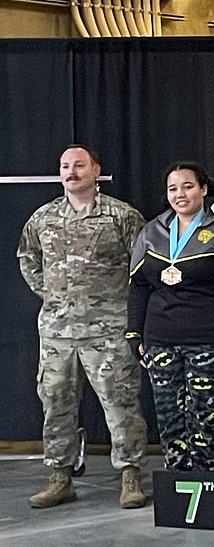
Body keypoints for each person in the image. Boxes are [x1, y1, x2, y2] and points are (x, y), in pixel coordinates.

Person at [17, 145, 148, 509]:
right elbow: (27, 259)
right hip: (57, 331)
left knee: (120, 402)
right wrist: (52, 295)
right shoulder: (42, 218)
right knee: (55, 401)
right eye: (65, 166)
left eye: (78, 165)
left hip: (109, 330)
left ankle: (130, 475)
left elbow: (142, 265)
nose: (71, 172)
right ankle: (60, 476)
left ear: (95, 170)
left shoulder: (121, 216)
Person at [127, 163, 214, 471]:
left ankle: (211, 486)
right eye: (173, 188)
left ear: (204, 189)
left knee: (207, 421)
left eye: (188, 186)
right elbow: (139, 286)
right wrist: (133, 333)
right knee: (169, 421)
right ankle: (178, 488)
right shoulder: (151, 232)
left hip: (210, 343)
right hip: (161, 342)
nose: (180, 194)